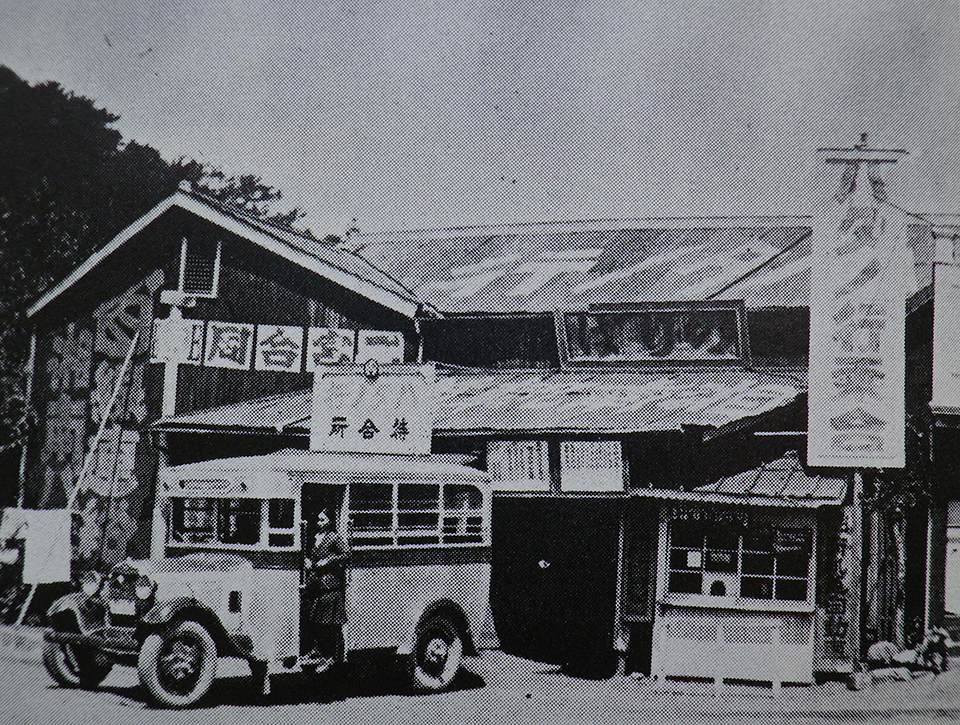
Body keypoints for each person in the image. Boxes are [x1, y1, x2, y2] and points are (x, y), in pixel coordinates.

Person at [303, 508, 350, 663]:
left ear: (330, 521)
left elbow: (346, 554)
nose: (319, 523)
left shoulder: (333, 537)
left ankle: (329, 657)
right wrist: (308, 562)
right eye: (318, 519)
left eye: (322, 520)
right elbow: (313, 556)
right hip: (316, 584)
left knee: (327, 623)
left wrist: (329, 560)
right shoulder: (316, 537)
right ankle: (317, 651)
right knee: (315, 621)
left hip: (329, 585)